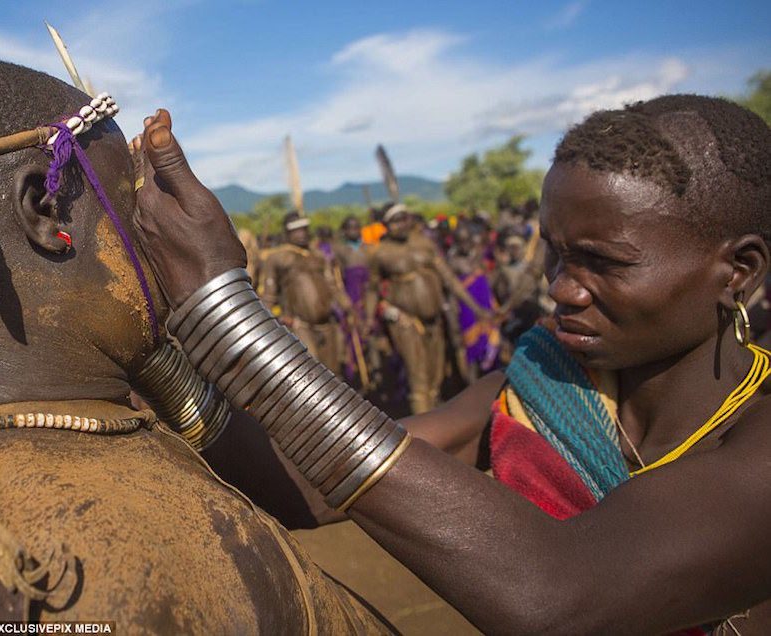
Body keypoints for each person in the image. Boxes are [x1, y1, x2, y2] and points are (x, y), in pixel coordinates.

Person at [134, 94, 771, 634]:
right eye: (555, 253)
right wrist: (153, 351)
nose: (562, 288)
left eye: (604, 262)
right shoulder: (538, 386)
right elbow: (307, 493)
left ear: (738, 270)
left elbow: (558, 594)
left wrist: (224, 313)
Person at [0, 59, 389, 632]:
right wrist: (225, 300)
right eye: (131, 201)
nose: (155, 228)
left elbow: (301, 486)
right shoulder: (121, 567)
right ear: (46, 214)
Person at [365, 203, 490, 414]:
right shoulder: (380, 253)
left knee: (436, 377)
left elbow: (449, 278)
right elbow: (372, 289)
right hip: (406, 322)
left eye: (404, 218)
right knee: (419, 380)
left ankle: (434, 423)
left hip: (435, 319)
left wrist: (475, 307)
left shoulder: (425, 244)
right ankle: (424, 435)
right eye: (395, 221)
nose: (401, 224)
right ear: (386, 225)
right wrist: (369, 319)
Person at [260, 211, 353, 373]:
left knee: (335, 375)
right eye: (296, 230)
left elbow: (332, 285)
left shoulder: (318, 256)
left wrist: (348, 307)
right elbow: (268, 296)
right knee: (313, 375)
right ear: (286, 233)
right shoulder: (277, 258)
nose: (301, 234)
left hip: (328, 325)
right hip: (299, 326)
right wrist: (273, 322)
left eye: (304, 229)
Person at [446, 222, 500, 380]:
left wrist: (494, 302)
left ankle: (493, 386)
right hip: (466, 311)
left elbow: (487, 280)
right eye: (460, 241)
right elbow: (452, 292)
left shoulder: (479, 254)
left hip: (485, 304)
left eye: (467, 240)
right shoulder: (453, 262)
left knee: (491, 346)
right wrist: (453, 315)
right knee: (471, 351)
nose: (465, 245)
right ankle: (473, 388)